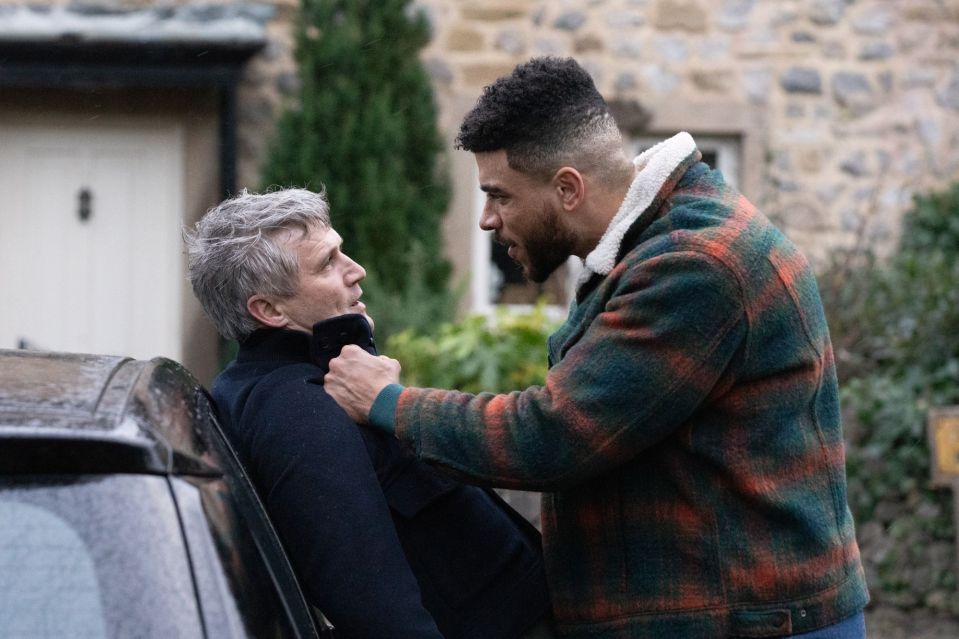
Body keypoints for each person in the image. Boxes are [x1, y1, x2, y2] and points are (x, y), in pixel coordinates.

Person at [324, 57, 870, 638]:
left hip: (756, 624)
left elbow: (553, 436)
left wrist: (387, 401)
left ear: (567, 188)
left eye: (499, 196)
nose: (485, 220)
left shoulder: (696, 266)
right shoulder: (655, 247)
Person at [184, 188, 551, 639]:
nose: (357, 271)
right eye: (327, 263)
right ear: (269, 310)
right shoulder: (300, 410)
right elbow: (376, 608)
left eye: (342, 252)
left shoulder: (296, 382)